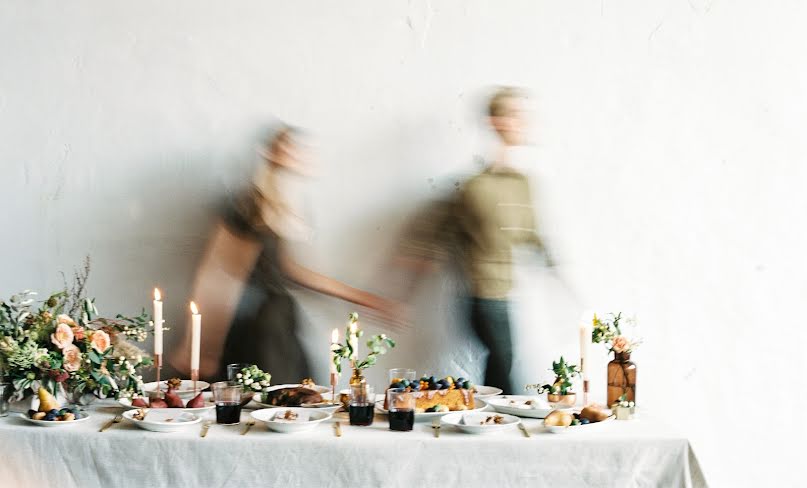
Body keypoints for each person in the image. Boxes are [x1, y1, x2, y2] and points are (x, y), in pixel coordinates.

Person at [172, 126, 399, 382]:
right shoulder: (250, 205)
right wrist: (202, 347)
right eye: (290, 150)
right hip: (254, 325)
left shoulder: (292, 207)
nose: (299, 157)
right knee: (264, 404)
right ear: (271, 154)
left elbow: (294, 271)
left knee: (294, 403)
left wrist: (360, 298)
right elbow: (220, 276)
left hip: (281, 322)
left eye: (302, 151)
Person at [454, 87, 556, 394]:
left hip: (506, 294)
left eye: (523, 115)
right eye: (513, 114)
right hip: (483, 296)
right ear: (494, 122)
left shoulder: (524, 183)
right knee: (505, 373)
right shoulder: (475, 186)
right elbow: (438, 237)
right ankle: (492, 431)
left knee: (502, 372)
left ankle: (488, 427)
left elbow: (532, 235)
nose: (522, 122)